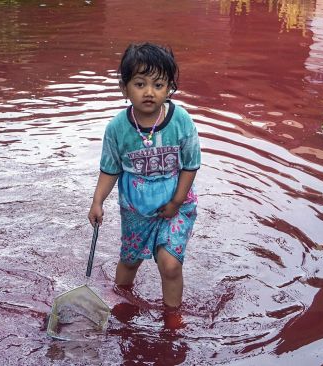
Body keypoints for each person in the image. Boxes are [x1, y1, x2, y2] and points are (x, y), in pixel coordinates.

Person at [88, 42, 201, 319]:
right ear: (124, 88)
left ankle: (172, 318)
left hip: (175, 205)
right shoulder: (117, 128)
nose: (149, 92)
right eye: (140, 84)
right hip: (136, 209)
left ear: (169, 88)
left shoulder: (180, 121)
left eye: (159, 84)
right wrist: (97, 201)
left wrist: (176, 201)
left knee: (170, 264)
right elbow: (110, 169)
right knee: (130, 261)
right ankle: (121, 303)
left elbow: (190, 165)